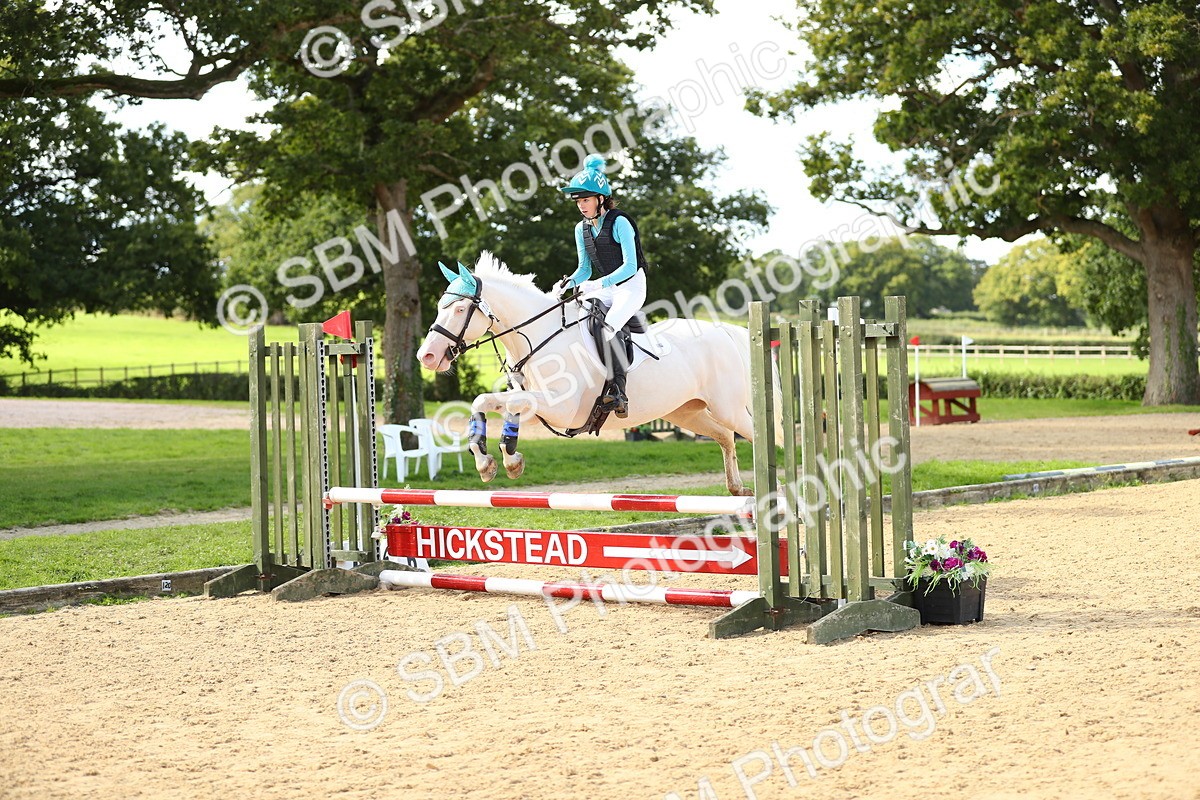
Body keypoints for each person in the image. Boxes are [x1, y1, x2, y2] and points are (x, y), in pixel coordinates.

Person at [555, 153, 648, 417]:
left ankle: (619, 391)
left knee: (608, 327)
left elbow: (630, 266)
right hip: (606, 287)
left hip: (631, 286)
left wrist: (598, 284)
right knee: (585, 317)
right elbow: (584, 269)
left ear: (600, 199)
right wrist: (567, 283)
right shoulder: (580, 229)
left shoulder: (620, 222)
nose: (581, 206)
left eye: (586, 200)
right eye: (578, 201)